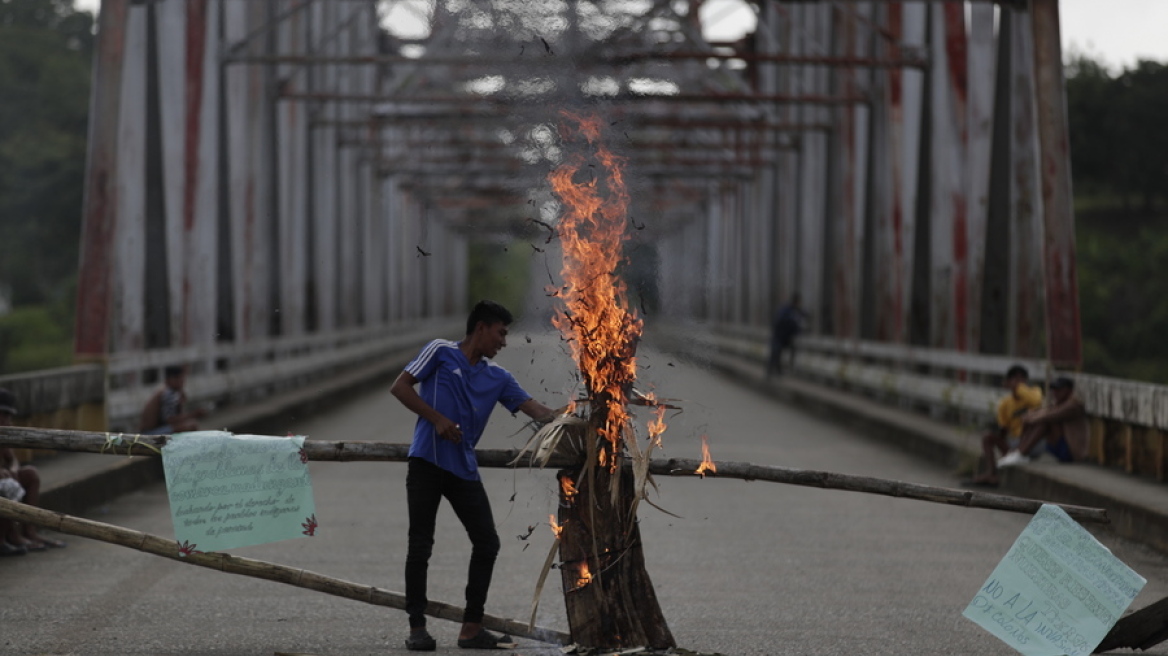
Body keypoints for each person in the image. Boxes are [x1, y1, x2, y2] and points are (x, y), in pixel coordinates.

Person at [391, 300, 556, 651]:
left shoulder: (498, 377)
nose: (504, 341)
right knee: (420, 544)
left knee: (487, 543)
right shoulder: (439, 351)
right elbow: (400, 387)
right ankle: (417, 627)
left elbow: (538, 411)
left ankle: (471, 627)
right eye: (501, 333)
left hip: (462, 469)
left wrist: (577, 413)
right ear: (481, 328)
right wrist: (436, 418)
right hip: (426, 462)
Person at [0, 388, 66, 553]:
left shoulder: (4, 434)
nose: (9, 421)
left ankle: (29, 531)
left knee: (30, 474)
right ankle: (10, 537)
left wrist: (13, 469)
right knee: (7, 483)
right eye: (5, 415)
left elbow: (11, 458)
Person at [968, 365, 1044, 487]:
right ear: (1008, 382)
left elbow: (1036, 402)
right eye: (1015, 379)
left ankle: (1019, 453)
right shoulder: (1006, 403)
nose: (1019, 383)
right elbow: (1003, 429)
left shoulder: (1035, 392)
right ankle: (991, 473)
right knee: (987, 437)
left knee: (1029, 420)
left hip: (1031, 442)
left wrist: (1019, 388)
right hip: (1014, 442)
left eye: (1021, 379)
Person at [997, 376, 1089, 467]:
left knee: (1045, 423)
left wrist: (1031, 418)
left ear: (1068, 390)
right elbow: (1043, 412)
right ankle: (1019, 452)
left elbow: (1050, 416)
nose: (1055, 393)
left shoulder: (1074, 405)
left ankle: (1021, 453)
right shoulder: (1058, 403)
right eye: (1054, 389)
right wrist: (1029, 417)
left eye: (1059, 390)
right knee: (1033, 420)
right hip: (1059, 449)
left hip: (1072, 453)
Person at [139, 365, 205, 435]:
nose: (181, 381)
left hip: (152, 430)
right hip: (150, 433)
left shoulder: (167, 391)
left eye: (182, 378)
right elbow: (170, 420)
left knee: (189, 424)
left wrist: (180, 403)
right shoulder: (168, 393)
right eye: (178, 378)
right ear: (169, 379)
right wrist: (194, 414)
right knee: (190, 426)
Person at [767, 293, 808, 377]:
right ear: (796, 301)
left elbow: (803, 316)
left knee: (784, 352)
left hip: (786, 337)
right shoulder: (787, 310)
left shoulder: (796, 311)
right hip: (779, 336)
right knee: (775, 353)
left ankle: (782, 371)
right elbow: (783, 322)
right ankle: (770, 373)